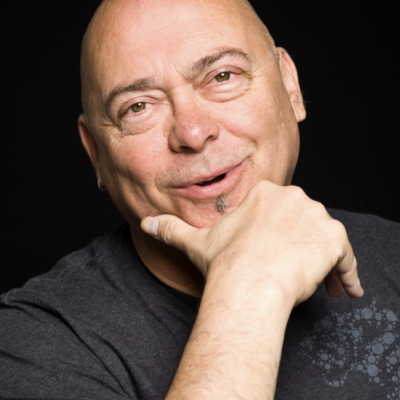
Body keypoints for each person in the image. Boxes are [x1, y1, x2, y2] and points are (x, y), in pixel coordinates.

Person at [1, 0, 399, 399]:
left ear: (289, 86)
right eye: (138, 107)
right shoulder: (34, 341)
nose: (192, 132)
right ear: (97, 154)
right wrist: (250, 279)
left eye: (222, 76)